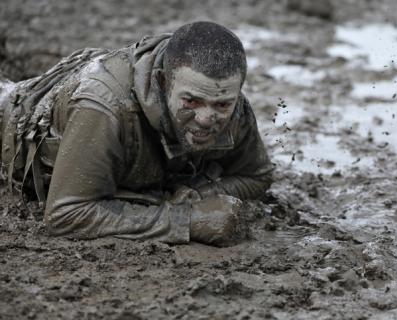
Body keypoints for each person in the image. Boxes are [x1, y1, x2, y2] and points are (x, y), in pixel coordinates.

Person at [0, 21, 274, 246]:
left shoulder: (232, 103)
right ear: (164, 82)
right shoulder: (106, 108)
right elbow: (65, 213)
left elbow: (257, 175)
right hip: (14, 117)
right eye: (191, 101)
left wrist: (201, 192)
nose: (206, 119)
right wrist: (186, 219)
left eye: (222, 105)